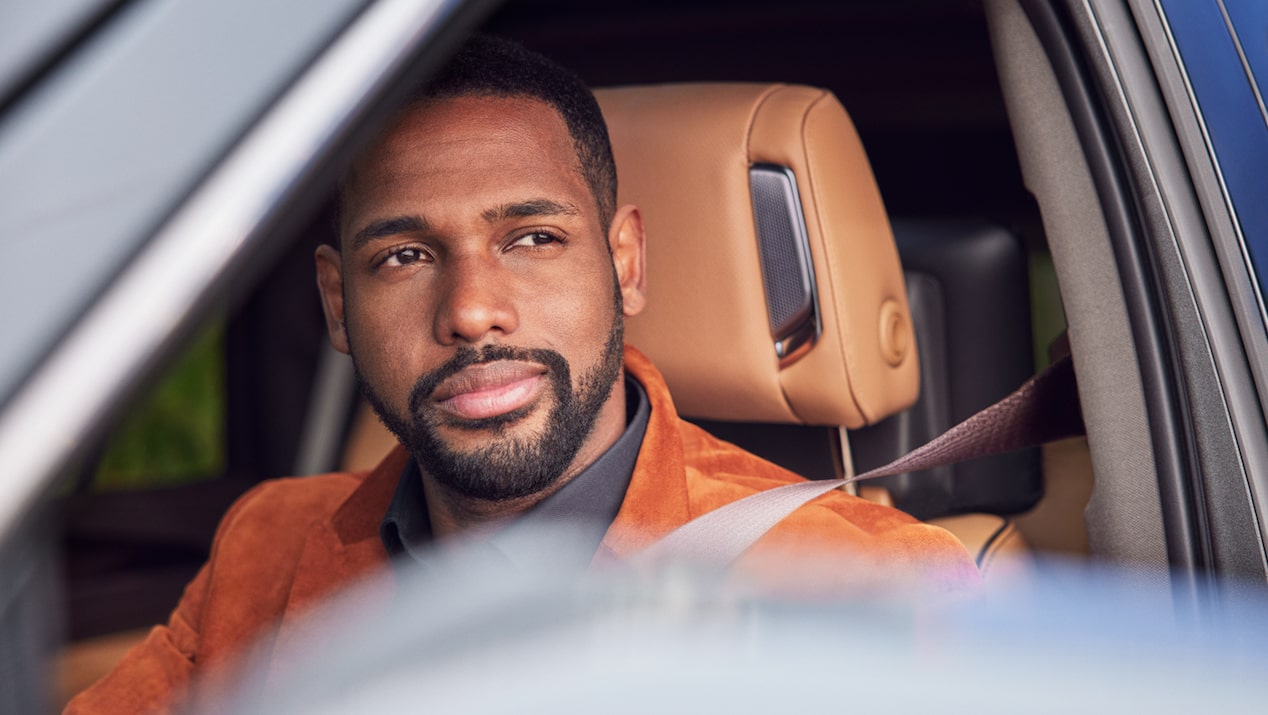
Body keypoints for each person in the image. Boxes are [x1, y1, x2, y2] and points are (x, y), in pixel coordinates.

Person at [66, 35, 979, 714]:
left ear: (625, 263)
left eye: (532, 240)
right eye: (405, 256)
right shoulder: (263, 547)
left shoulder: (879, 590)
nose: (471, 309)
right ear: (337, 304)